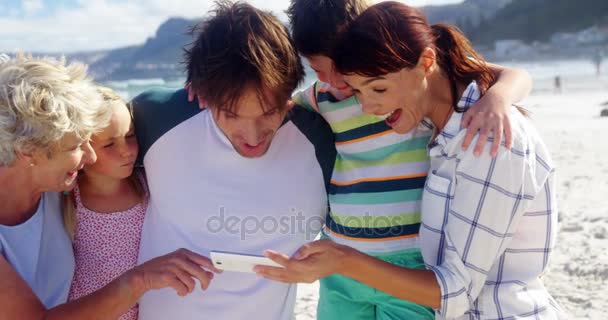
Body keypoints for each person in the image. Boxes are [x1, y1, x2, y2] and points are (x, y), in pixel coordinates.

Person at [256, 2, 566, 319]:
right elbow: (268, 109)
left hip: (423, 273)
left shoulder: (473, 130)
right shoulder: (426, 123)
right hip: (352, 254)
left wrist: (498, 96)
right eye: (323, 71)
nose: (363, 103)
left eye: (375, 87)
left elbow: (501, 73)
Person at [132, 2, 335, 319]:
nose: (253, 137)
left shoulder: (320, 142)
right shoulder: (156, 118)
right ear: (202, 92)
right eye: (231, 114)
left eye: (269, 113)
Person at [0, 54, 218, 320]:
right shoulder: (61, 188)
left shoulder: (56, 187)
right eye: (75, 147)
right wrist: (139, 280)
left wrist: (206, 92)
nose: (90, 158)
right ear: (27, 152)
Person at [62, 87, 148, 320]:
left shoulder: (149, 185)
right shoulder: (67, 198)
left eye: (130, 136)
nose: (126, 151)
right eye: (109, 145)